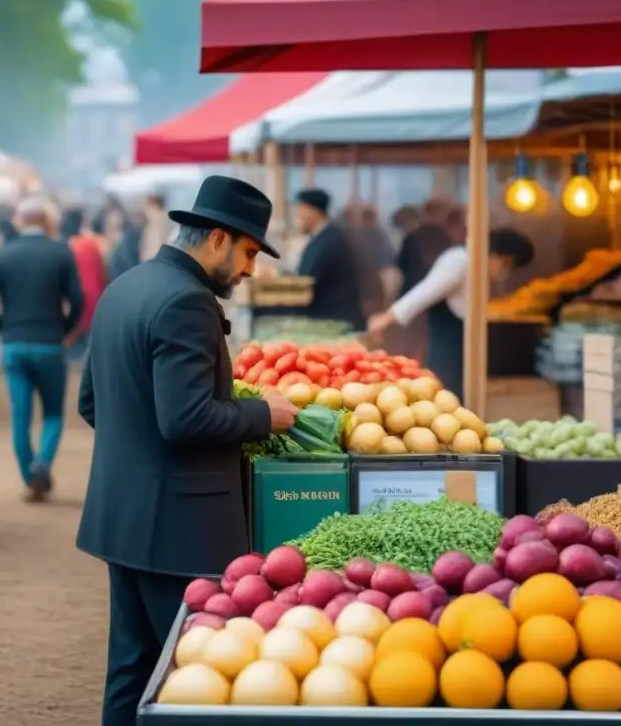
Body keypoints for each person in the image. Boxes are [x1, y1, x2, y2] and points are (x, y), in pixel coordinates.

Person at [76, 175, 300, 726]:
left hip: (122, 518)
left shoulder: (126, 284)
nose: (250, 269)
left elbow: (91, 403)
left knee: (131, 671)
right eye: (249, 252)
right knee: (188, 673)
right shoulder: (187, 302)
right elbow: (185, 418)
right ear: (218, 239)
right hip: (179, 529)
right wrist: (261, 414)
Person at [0, 197, 84, 501]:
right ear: (49, 223)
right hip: (50, 343)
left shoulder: (1, 255)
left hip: (14, 345)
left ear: (19, 221)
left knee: (20, 416)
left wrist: (5, 329)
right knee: (52, 413)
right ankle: (43, 463)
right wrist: (64, 331)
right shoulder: (60, 253)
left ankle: (29, 474)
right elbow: (77, 300)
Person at [367, 227, 535, 395]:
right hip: (448, 345)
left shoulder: (476, 270)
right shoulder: (460, 261)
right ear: (495, 255)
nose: (503, 273)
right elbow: (424, 294)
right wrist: (386, 318)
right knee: (444, 392)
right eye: (505, 265)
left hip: (461, 345)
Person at [295, 188, 364, 329]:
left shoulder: (331, 240)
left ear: (312, 212)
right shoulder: (322, 237)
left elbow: (308, 277)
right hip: (330, 316)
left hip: (335, 319)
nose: (297, 217)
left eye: (300, 211)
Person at [62, 208, 108, 362]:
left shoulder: (66, 246)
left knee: (73, 335)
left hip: (74, 297)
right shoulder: (92, 244)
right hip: (95, 295)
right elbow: (102, 272)